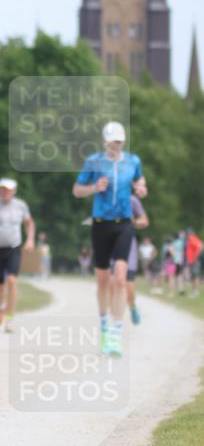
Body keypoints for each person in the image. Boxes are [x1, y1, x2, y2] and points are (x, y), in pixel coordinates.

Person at [73, 121, 147, 357]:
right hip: (100, 224)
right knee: (103, 279)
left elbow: (140, 182)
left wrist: (142, 189)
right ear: (105, 141)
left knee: (120, 278)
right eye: (113, 141)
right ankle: (104, 323)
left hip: (124, 224)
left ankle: (116, 332)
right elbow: (77, 190)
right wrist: (94, 187)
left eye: (120, 141)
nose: (116, 144)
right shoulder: (94, 162)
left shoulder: (133, 161)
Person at [0, 177, 35, 332]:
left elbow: (29, 223)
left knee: (11, 280)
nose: (5, 192)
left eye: (8, 190)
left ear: (14, 191)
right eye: (3, 189)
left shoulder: (20, 206)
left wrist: (30, 240)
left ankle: (9, 319)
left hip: (13, 247)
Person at [111, 194, 149, 325]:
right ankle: (115, 320)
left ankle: (132, 307)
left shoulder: (132, 200)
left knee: (128, 284)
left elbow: (144, 220)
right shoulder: (105, 197)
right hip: (110, 244)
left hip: (128, 245)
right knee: (113, 282)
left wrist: (133, 222)